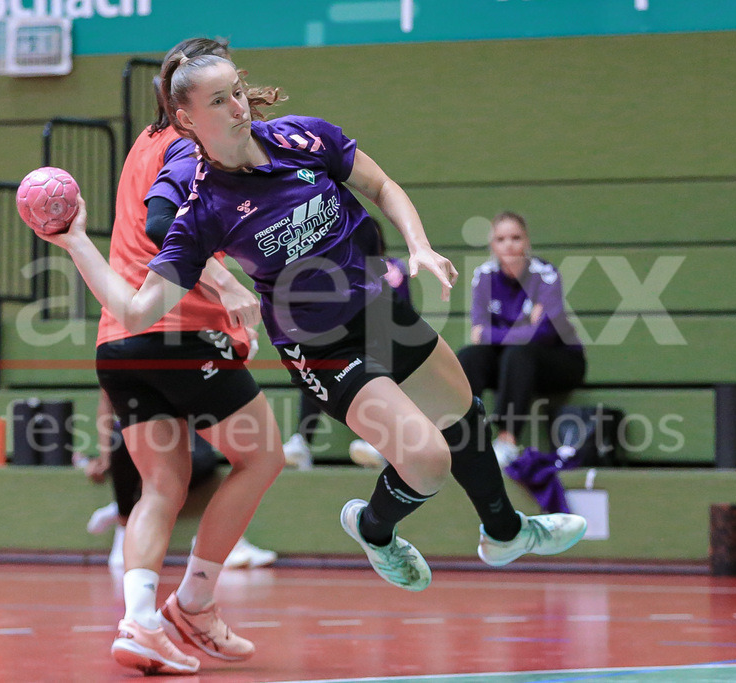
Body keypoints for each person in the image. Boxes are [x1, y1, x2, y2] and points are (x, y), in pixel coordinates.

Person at [40, 51, 586, 600]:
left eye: (237, 92)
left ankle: (504, 533)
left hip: (380, 309)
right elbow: (136, 310)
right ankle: (374, 529)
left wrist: (419, 246)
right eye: (218, 101)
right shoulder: (203, 205)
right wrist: (77, 242)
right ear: (186, 119)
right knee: (427, 461)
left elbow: (382, 186)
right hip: (321, 346)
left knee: (463, 417)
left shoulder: (301, 137)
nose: (237, 107)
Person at [75, 38, 286, 676]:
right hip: (179, 333)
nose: (233, 101)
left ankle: (139, 622)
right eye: (219, 93)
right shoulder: (185, 149)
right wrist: (227, 286)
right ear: (188, 102)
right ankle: (194, 603)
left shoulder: (147, 141)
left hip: (120, 343)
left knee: (161, 486)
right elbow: (163, 229)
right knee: (262, 457)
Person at [85, 388, 278, 570]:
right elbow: (106, 402)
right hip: (143, 424)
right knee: (120, 441)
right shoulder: (119, 369)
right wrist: (105, 457)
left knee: (203, 460)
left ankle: (143, 505)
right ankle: (124, 521)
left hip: (182, 422)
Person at [456, 211, 587, 468]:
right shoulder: (484, 276)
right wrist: (525, 327)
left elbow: (544, 334)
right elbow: (477, 334)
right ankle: (463, 437)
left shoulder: (545, 274)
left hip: (559, 361)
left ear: (526, 241)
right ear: (492, 245)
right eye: (501, 239)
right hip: (512, 361)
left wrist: (495, 335)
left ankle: (507, 441)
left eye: (515, 238)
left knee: (519, 352)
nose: (508, 245)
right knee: (470, 355)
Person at [282, 220, 408, 470]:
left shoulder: (392, 267)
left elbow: (401, 309)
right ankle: (301, 442)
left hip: (385, 338)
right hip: (348, 341)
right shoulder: (336, 269)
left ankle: (379, 444)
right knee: (317, 365)